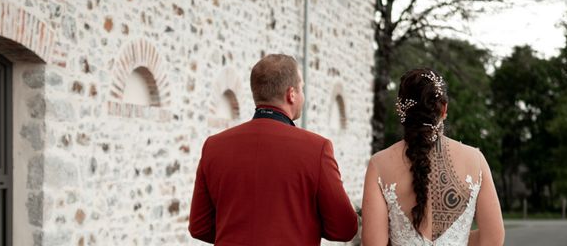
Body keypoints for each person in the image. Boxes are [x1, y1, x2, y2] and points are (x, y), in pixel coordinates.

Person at [188, 53, 358, 245]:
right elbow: (345, 228)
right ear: (291, 94)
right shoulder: (317, 149)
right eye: (302, 88)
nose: (303, 94)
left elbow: (199, 226)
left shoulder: (214, 146)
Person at [361, 68, 504, 246]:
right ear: (444, 108)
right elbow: (494, 238)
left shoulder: (379, 164)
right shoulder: (475, 160)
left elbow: (373, 244)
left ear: (401, 110)